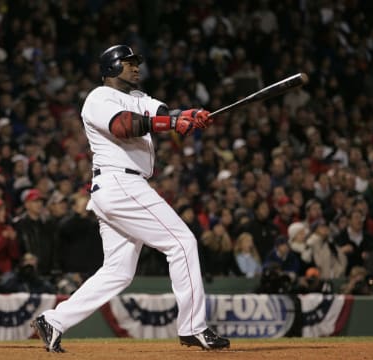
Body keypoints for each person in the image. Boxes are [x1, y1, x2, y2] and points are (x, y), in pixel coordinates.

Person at [31, 45, 229, 352]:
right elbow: (123, 126)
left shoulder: (139, 98)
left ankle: (54, 321)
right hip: (119, 182)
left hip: (121, 187)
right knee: (182, 243)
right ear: (111, 67)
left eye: (137, 62)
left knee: (118, 271)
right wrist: (174, 122)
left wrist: (187, 116)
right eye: (128, 62)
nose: (136, 67)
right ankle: (194, 327)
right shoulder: (99, 97)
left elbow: (161, 114)